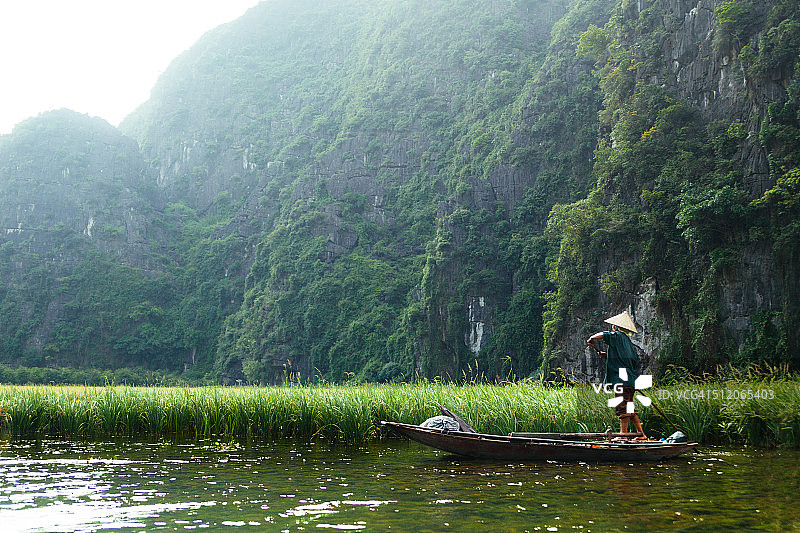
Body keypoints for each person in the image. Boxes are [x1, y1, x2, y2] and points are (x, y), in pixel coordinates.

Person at [586, 311, 648, 440]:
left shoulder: (617, 335)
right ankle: (642, 435)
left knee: (622, 407)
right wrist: (607, 356)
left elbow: (604, 334)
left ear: (615, 326)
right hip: (630, 381)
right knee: (629, 407)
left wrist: (592, 337)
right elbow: (626, 361)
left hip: (622, 381)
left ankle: (623, 436)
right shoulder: (628, 343)